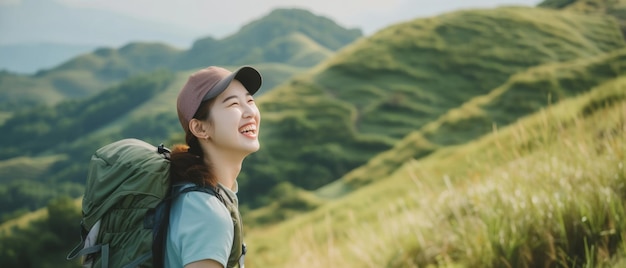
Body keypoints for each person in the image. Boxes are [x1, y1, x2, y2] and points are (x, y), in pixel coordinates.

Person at [165, 65, 262, 268]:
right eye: (234, 104)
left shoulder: (189, 194)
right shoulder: (208, 214)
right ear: (200, 128)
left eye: (250, 100)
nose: (249, 112)